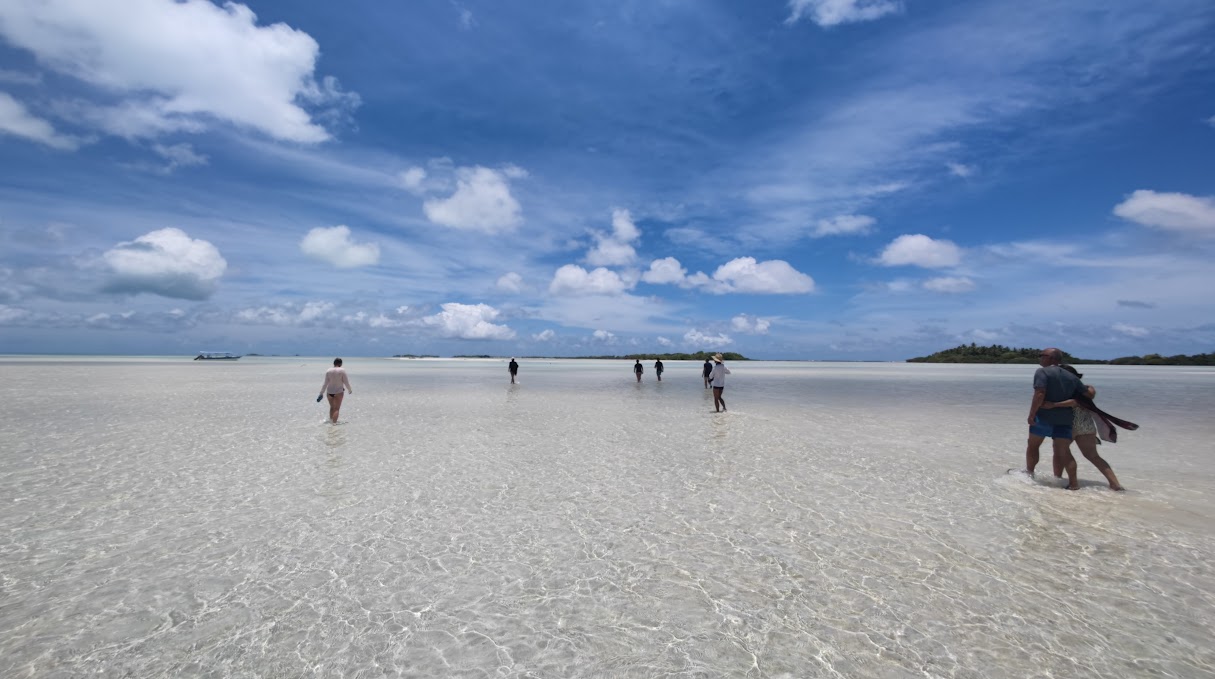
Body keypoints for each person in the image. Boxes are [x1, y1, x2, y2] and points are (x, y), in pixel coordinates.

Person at [1040, 365, 1125, 491]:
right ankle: (1115, 484)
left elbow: (1074, 402)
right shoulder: (1087, 389)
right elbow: (1088, 395)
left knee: (1060, 452)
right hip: (1086, 424)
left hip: (1068, 423)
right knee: (1093, 455)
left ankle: (1066, 481)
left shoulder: (1063, 390)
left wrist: (1053, 405)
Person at [1025, 347, 1082, 489]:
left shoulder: (1042, 372)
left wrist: (1032, 414)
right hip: (1065, 419)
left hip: (1044, 417)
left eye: (1041, 355)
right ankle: (1074, 483)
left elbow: (1039, 393)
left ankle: (1029, 474)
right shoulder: (1071, 376)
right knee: (1064, 451)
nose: (1039, 357)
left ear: (1051, 358)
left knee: (1033, 446)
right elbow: (1085, 396)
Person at [319, 357, 352, 424]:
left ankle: (331, 421)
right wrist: (349, 390)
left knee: (332, 407)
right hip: (338, 392)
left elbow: (325, 383)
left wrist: (321, 393)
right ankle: (334, 425)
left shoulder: (328, 370)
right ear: (341, 364)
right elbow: (346, 382)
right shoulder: (342, 370)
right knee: (336, 409)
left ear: (334, 363)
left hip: (329, 392)